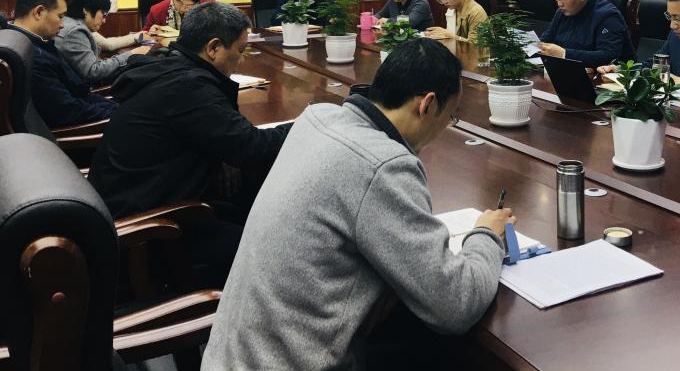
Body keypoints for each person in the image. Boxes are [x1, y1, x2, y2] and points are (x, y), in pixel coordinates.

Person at [201, 38, 514, 369]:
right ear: (428, 105)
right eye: (451, 117)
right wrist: (486, 236)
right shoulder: (383, 166)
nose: (446, 127)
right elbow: (455, 305)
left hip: (229, 358)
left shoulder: (317, 118)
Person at [88, 2, 292, 286]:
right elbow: (251, 147)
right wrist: (308, 124)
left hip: (141, 203)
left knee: (246, 210)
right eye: (240, 50)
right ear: (214, 48)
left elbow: (223, 138)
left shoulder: (166, 64)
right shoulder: (187, 87)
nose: (242, 60)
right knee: (279, 249)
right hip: (148, 235)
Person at [9, 0, 117, 128]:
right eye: (60, 16)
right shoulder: (33, 56)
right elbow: (67, 110)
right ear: (39, 12)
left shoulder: (23, 41)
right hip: (72, 130)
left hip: (81, 107)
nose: (62, 24)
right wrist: (119, 114)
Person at [537, 0, 635, 67]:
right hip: (564, 71)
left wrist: (564, 54)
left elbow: (608, 56)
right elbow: (545, 41)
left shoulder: (608, 16)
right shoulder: (562, 11)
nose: (559, 4)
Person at [56, 0, 149, 86]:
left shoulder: (68, 23)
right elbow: (93, 71)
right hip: (88, 88)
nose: (104, 21)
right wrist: (132, 54)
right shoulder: (75, 31)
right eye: (104, 14)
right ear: (86, 10)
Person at [423, 0, 488, 44]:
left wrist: (449, 35)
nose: (444, 2)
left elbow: (476, 46)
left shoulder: (476, 12)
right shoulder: (451, 8)